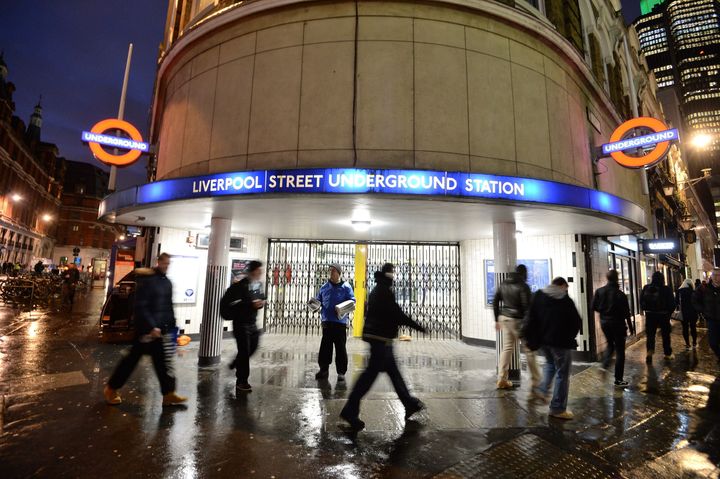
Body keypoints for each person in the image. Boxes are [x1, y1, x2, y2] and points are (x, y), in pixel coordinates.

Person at [340, 263, 427, 431]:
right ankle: (350, 411)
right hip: (380, 342)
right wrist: (417, 326)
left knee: (394, 374)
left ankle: (409, 404)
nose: (394, 276)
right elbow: (396, 314)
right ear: (388, 274)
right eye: (392, 273)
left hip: (382, 340)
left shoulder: (379, 289)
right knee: (368, 378)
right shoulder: (382, 291)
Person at [104, 253, 187, 406]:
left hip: (160, 331)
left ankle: (168, 394)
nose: (166, 266)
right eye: (164, 263)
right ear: (158, 262)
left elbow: (168, 307)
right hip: (146, 331)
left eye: (168, 264)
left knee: (162, 363)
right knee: (131, 361)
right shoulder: (148, 281)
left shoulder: (167, 282)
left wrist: (172, 327)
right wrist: (151, 326)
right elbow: (141, 306)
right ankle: (111, 389)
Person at [525, 277, 581, 420]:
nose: (566, 290)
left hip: (543, 342)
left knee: (550, 364)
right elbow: (576, 321)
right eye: (566, 288)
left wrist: (532, 339)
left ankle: (541, 389)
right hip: (560, 342)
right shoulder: (565, 300)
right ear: (562, 285)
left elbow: (530, 317)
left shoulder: (538, 295)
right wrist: (569, 337)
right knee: (563, 373)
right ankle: (557, 408)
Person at [220, 260, 266, 392]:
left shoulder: (257, 285)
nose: (260, 273)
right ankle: (242, 381)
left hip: (252, 323)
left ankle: (236, 362)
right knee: (244, 352)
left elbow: (260, 298)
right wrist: (250, 304)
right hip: (241, 324)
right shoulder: (239, 286)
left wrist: (260, 303)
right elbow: (234, 303)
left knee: (253, 347)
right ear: (252, 271)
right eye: (258, 270)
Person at [492, 264, 539, 390]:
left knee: (507, 348)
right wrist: (527, 325)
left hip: (504, 318)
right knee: (529, 349)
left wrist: (496, 319)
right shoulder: (523, 286)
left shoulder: (504, 283)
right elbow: (527, 307)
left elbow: (495, 301)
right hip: (518, 320)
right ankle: (535, 381)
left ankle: (501, 379)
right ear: (524, 274)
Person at [592, 270, 634, 388]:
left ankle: (604, 366)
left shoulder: (599, 291)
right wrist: (631, 328)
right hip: (618, 324)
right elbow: (627, 313)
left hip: (604, 323)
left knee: (610, 345)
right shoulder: (620, 294)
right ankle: (618, 379)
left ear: (607, 278)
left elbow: (593, 306)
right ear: (617, 278)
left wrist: (604, 312)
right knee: (620, 350)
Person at [314, 264, 355, 381]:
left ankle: (341, 372)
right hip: (327, 322)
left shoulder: (346, 287)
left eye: (333, 271)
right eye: (330, 271)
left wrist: (341, 308)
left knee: (340, 348)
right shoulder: (324, 287)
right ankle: (323, 370)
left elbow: (352, 302)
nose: (331, 273)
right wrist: (315, 305)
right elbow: (318, 301)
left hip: (340, 323)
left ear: (339, 273)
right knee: (325, 347)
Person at [640, 271, 675, 363]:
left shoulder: (646, 287)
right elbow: (672, 303)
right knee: (665, 335)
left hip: (650, 315)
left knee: (650, 335)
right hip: (663, 315)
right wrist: (669, 313)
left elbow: (641, 301)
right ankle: (667, 353)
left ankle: (649, 351)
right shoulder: (666, 289)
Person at [692, 269, 720, 365]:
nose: (717, 278)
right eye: (715, 275)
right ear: (711, 276)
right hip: (711, 319)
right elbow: (695, 300)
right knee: (713, 343)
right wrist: (703, 311)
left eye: (719, 275)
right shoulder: (704, 288)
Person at [676, 279, 698, 350]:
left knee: (685, 328)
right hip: (693, 313)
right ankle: (694, 343)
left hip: (683, 313)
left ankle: (687, 344)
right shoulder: (693, 292)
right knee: (693, 328)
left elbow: (676, 302)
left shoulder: (679, 292)